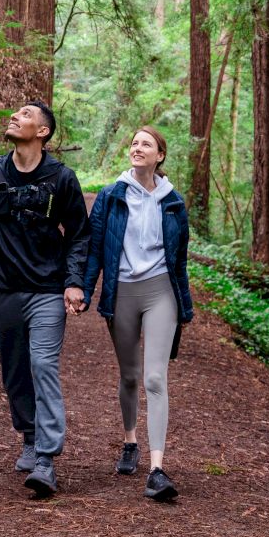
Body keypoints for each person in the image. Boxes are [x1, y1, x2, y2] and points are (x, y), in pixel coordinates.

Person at [0, 102, 90, 497]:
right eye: (15, 113)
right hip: (1, 289)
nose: (15, 116)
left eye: (26, 114)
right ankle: (28, 435)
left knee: (42, 364)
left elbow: (79, 234)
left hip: (46, 290)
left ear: (43, 132)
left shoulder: (62, 178)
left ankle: (46, 459)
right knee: (14, 368)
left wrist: (73, 281)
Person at [80, 125, 193, 501]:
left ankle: (157, 469)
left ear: (160, 155)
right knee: (129, 375)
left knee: (155, 378)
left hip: (161, 292)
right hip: (123, 291)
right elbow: (96, 248)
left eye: (146, 143)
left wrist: (185, 303)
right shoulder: (112, 196)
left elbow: (180, 261)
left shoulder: (174, 201)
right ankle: (130, 440)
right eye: (133, 143)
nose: (137, 148)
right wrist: (82, 287)